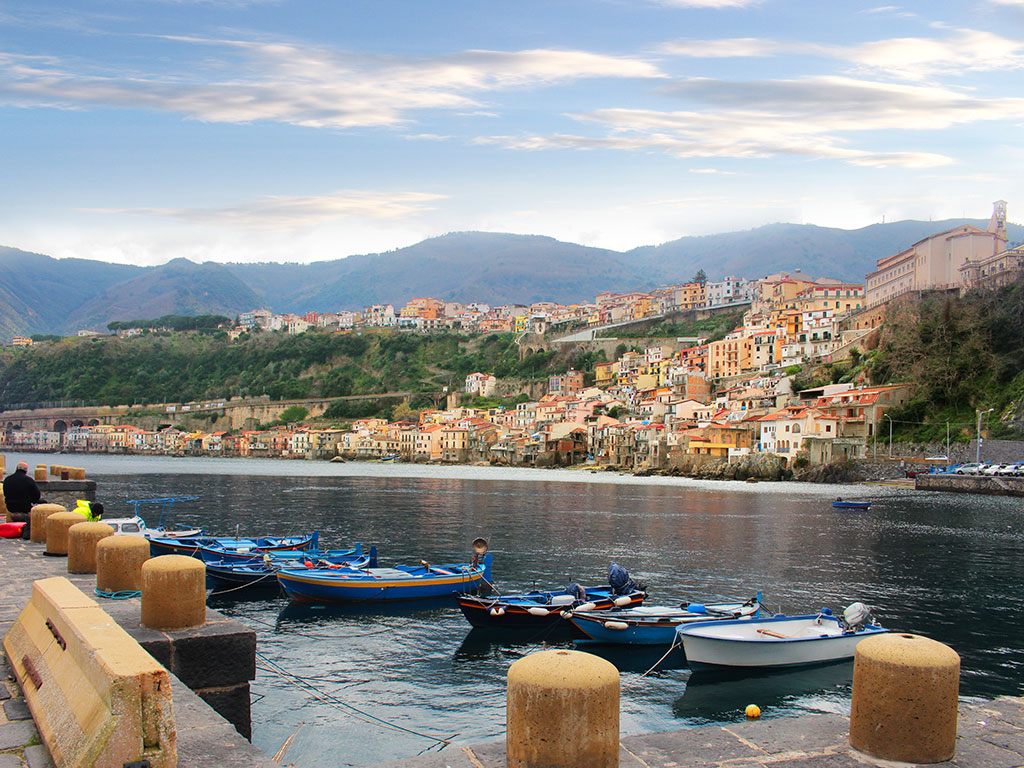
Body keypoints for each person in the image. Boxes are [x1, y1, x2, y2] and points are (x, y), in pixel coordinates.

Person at [3, 462, 41, 539]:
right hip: (25, 508)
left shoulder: (7, 479)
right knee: (43, 503)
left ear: (17, 468)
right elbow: (37, 496)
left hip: (11, 507)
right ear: (26, 470)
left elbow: (5, 493)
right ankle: (28, 533)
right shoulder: (29, 480)